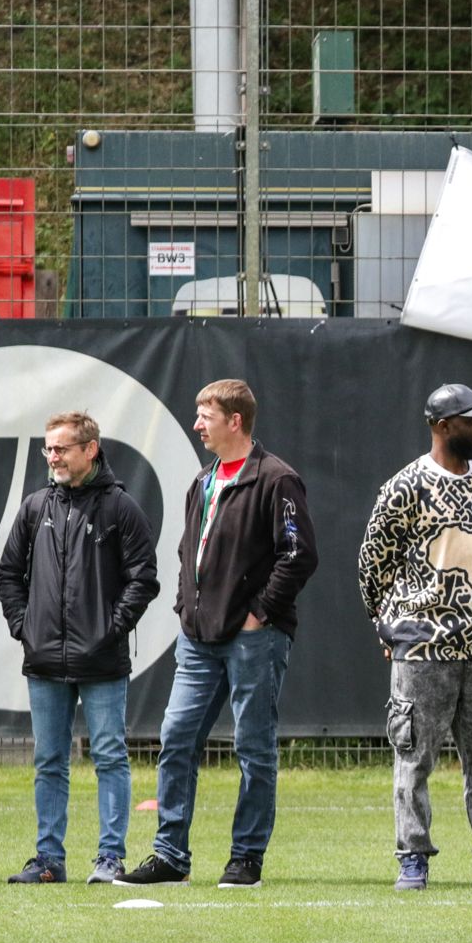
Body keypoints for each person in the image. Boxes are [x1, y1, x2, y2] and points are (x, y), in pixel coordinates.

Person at [117, 380, 318, 890]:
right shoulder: (202, 482)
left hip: (255, 638)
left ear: (236, 420)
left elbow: (298, 555)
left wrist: (259, 615)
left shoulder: (277, 479)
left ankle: (246, 858)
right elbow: (190, 551)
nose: (196, 425)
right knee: (176, 737)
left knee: (253, 747)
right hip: (198, 637)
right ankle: (170, 857)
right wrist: (187, 607)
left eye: (205, 415)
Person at [358, 384, 472, 891]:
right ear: (441, 426)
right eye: (469, 419)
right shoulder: (405, 486)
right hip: (421, 645)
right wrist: (385, 622)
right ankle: (412, 857)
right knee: (414, 756)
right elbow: (374, 562)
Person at [0, 412, 159, 884]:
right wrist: (23, 626)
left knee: (109, 755)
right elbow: (9, 573)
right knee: (49, 761)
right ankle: (48, 860)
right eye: (48, 448)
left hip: (103, 660)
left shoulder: (120, 507)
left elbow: (143, 578)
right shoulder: (34, 507)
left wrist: (111, 628)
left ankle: (110, 858)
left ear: (90, 450)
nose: (53, 457)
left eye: (62, 448)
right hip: (43, 658)